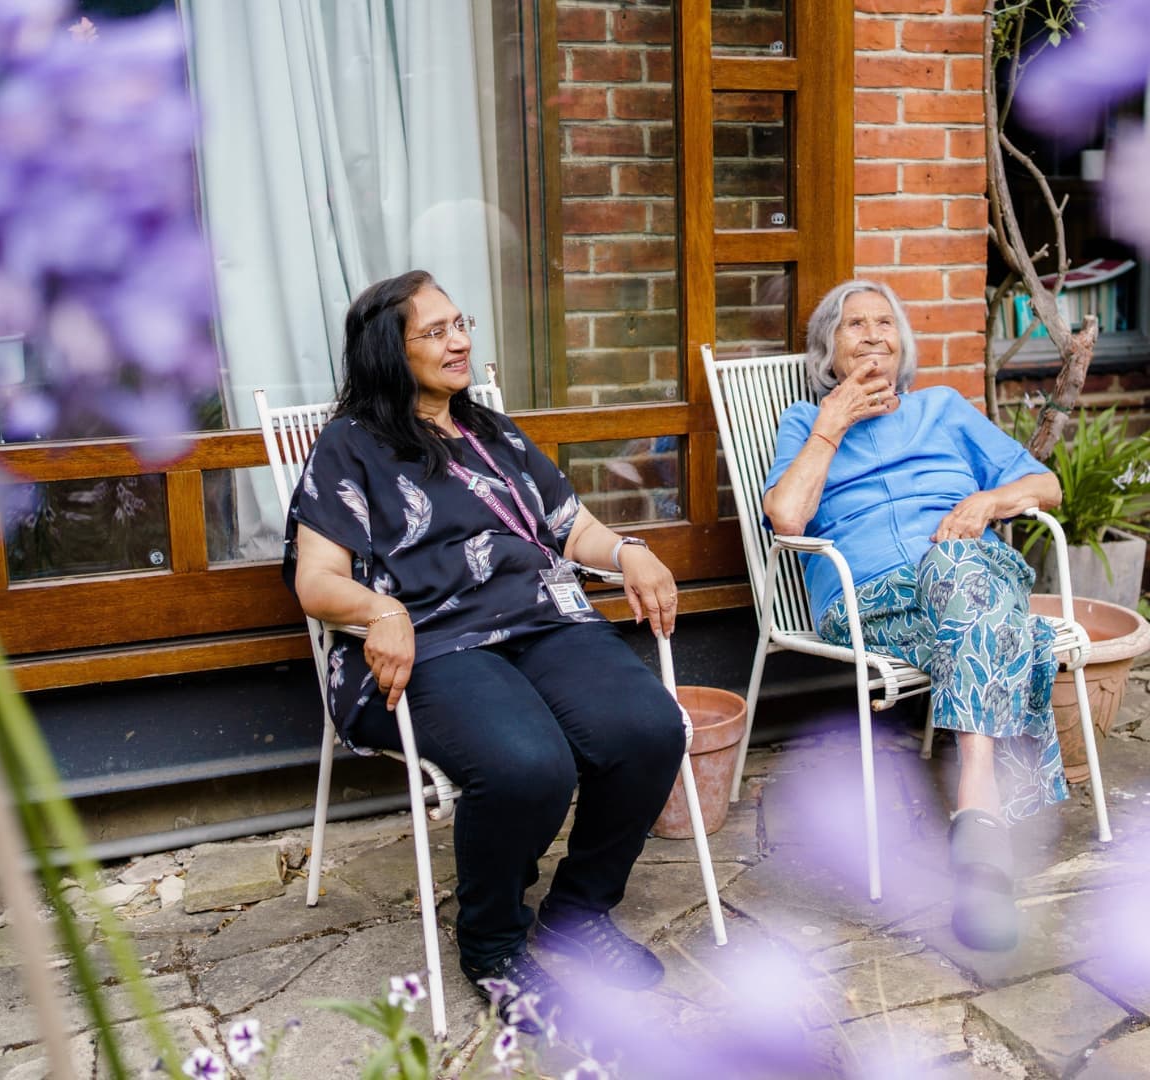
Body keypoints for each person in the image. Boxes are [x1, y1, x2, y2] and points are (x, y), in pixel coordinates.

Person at [283, 269, 685, 1028]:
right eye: (435, 332)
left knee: (650, 730)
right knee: (526, 765)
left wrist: (628, 550)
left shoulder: (493, 432)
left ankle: (578, 911)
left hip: (540, 620)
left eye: (460, 323)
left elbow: (571, 527)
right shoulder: (350, 447)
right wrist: (380, 609)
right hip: (431, 642)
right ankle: (494, 946)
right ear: (389, 351)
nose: (460, 340)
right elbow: (317, 581)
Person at [761, 279, 1069, 952]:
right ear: (828, 351)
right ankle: (984, 826)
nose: (874, 334)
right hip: (871, 602)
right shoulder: (804, 422)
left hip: (965, 577)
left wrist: (988, 503)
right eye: (854, 325)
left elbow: (1045, 485)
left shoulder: (942, 409)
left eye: (885, 323)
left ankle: (976, 814)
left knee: (960, 573)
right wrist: (832, 425)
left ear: (902, 345)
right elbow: (786, 517)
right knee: (1002, 622)